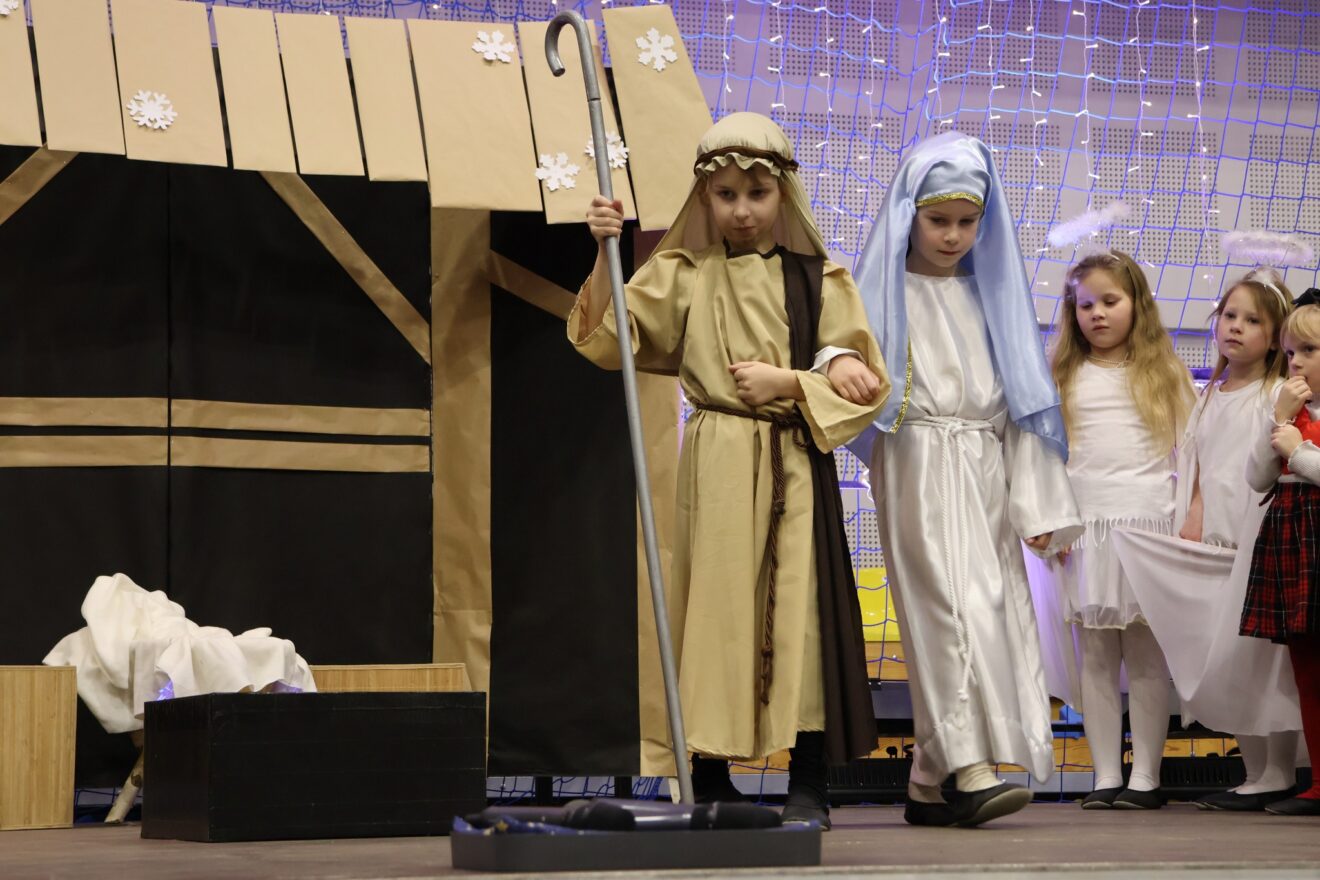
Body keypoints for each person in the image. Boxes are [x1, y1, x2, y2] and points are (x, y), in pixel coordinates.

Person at [569, 112, 889, 827]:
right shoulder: (684, 275)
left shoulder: (821, 280)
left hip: (794, 465)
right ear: (705, 198)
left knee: (803, 618)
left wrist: (792, 382)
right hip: (716, 463)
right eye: (725, 195)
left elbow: (865, 384)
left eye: (757, 193)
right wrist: (604, 252)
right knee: (714, 614)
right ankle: (710, 775)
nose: (742, 210)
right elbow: (609, 339)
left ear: (783, 195)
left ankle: (809, 779)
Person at [848, 132, 1082, 827]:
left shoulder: (991, 299)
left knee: (991, 606)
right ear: (909, 215)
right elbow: (842, 361)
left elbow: (1021, 407)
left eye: (967, 221)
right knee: (943, 607)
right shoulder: (876, 294)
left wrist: (1038, 503)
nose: (952, 236)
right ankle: (969, 768)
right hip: (918, 460)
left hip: (984, 467)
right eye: (937, 219)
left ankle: (929, 778)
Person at [1112, 270, 1302, 811]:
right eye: (1230, 315)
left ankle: (1278, 771)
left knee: (1265, 662)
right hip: (1215, 548)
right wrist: (1192, 516)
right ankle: (1256, 771)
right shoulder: (1209, 396)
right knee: (1227, 662)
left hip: (1257, 545)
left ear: (1276, 336)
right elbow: (1198, 468)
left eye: (1252, 320)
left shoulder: (1273, 395)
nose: (1235, 327)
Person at [1043, 249, 1195, 810]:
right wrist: (1046, 520)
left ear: (1137, 304)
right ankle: (1105, 775)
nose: (1098, 314)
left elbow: (1193, 453)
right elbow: (1044, 456)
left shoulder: (1165, 373)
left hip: (1148, 527)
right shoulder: (1062, 374)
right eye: (1086, 305)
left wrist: (1190, 517)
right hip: (1084, 529)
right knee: (1096, 657)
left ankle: (1146, 777)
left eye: (1110, 301)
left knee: (1148, 654)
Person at [1240, 295, 1320, 816]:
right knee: (1306, 669)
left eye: (1309, 350)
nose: (1295, 363)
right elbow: (1256, 477)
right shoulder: (1287, 411)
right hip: (1294, 539)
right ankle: (1318, 783)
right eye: (1290, 352)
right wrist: (1278, 425)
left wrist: (1298, 450)